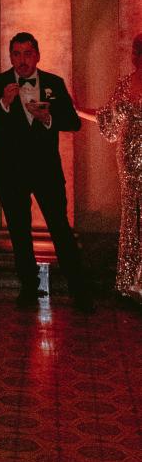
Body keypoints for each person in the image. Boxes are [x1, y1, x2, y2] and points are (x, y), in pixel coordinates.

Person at [0, 31, 93, 311]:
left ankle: (79, 291)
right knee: (18, 230)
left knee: (60, 228)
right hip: (10, 171)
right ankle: (28, 288)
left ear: (37, 55)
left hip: (46, 171)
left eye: (27, 53)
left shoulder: (53, 83)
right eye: (16, 54)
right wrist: (3, 103)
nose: (22, 60)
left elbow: (73, 123)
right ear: (11, 56)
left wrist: (48, 117)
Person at [78, 33, 142, 303]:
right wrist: (77, 109)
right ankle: (131, 283)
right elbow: (108, 119)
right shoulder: (126, 84)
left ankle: (134, 283)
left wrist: (77, 109)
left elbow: (108, 120)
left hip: (130, 156)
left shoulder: (127, 84)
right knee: (132, 218)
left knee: (135, 218)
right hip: (128, 160)